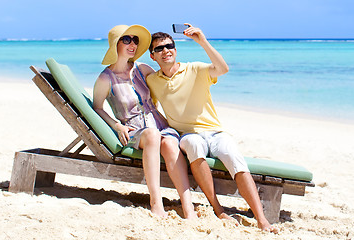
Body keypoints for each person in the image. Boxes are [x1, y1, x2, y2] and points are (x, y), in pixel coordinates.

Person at [146, 25, 279, 233]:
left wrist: (202, 41)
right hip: (188, 135)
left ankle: (262, 220)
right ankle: (218, 209)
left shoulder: (195, 69)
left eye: (169, 46)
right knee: (193, 145)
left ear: (175, 49)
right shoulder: (153, 81)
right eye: (159, 49)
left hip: (215, 132)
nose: (166, 51)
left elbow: (223, 69)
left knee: (234, 157)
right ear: (152, 56)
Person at [92, 25, 197, 220]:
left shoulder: (143, 69)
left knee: (170, 145)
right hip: (134, 131)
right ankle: (156, 203)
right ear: (116, 44)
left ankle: (188, 208)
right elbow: (97, 108)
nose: (132, 44)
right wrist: (117, 125)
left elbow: (167, 82)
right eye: (126, 40)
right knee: (152, 134)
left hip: (159, 124)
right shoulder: (105, 79)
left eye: (135, 40)